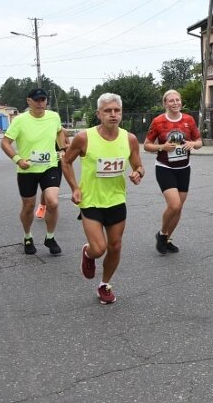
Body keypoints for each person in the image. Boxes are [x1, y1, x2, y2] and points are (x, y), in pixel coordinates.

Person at [61, 93, 144, 305]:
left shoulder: (130, 139)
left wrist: (138, 174)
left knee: (115, 246)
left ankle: (104, 285)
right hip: (91, 200)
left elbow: (138, 165)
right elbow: (66, 162)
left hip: (116, 200)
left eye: (117, 110)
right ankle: (88, 254)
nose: (113, 114)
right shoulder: (84, 138)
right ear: (99, 114)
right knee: (99, 248)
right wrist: (74, 188)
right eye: (108, 111)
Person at [0, 89, 68, 255]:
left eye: (43, 100)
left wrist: (63, 148)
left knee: (53, 202)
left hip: (50, 166)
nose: (40, 103)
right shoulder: (20, 120)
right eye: (36, 100)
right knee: (28, 206)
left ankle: (50, 237)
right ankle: (27, 236)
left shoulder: (53, 116)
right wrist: (17, 159)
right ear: (28, 101)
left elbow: (59, 131)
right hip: (27, 169)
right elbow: (5, 143)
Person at [143, 89, 202, 254]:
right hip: (165, 168)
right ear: (165, 104)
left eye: (178, 100)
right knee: (174, 204)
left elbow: (199, 142)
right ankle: (162, 234)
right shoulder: (158, 121)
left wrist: (193, 144)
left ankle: (167, 238)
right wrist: (162, 146)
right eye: (171, 101)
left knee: (179, 208)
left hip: (184, 168)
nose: (175, 103)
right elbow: (147, 145)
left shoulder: (189, 120)